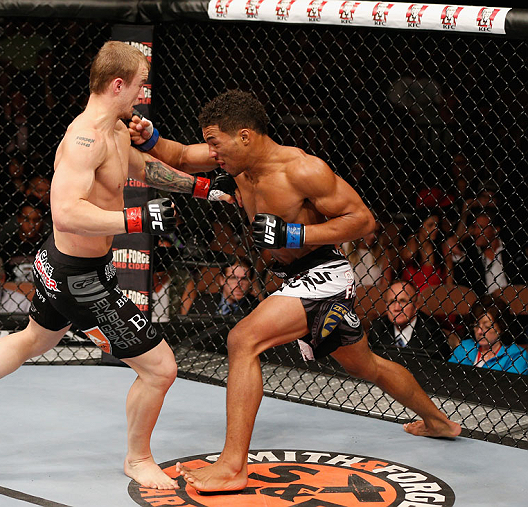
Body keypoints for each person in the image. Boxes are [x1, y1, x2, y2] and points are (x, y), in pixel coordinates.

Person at [0, 41, 235, 490]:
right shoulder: (84, 138)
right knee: (160, 368)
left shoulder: (116, 131)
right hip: (78, 276)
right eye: (140, 86)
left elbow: (142, 169)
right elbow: (66, 213)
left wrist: (204, 189)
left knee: (34, 339)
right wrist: (137, 219)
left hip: (72, 263)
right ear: (118, 84)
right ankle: (138, 458)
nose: (143, 95)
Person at [129, 89, 461, 492]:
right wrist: (148, 138)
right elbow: (179, 155)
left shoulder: (303, 170)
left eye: (216, 143)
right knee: (364, 365)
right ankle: (439, 422)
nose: (212, 154)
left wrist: (294, 231)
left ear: (246, 136)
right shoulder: (236, 161)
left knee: (242, 339)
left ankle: (233, 466)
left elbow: (363, 221)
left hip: (326, 272)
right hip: (294, 279)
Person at [445, 205, 527, 296]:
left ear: (495, 230)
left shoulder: (513, 251)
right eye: (475, 227)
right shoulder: (471, 255)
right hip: (484, 305)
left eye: (481, 227)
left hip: (513, 301)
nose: (476, 232)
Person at [369, 280, 451, 360]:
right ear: (386, 307)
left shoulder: (432, 331)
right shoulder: (378, 327)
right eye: (392, 302)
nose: (397, 308)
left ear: (416, 306)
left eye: (403, 301)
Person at [449, 295, 527, 374]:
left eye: (487, 327)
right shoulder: (464, 347)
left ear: (501, 327)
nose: (480, 331)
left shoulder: (516, 355)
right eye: (476, 325)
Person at [0, 197, 49, 283]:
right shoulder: (7, 247)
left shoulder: (49, 247)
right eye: (26, 220)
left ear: (42, 221)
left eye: (36, 220)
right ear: (19, 219)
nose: (31, 225)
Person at [187, 257, 259, 316]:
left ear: (250, 282)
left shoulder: (257, 308)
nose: (239, 284)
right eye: (233, 278)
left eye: (244, 279)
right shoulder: (202, 302)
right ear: (222, 280)